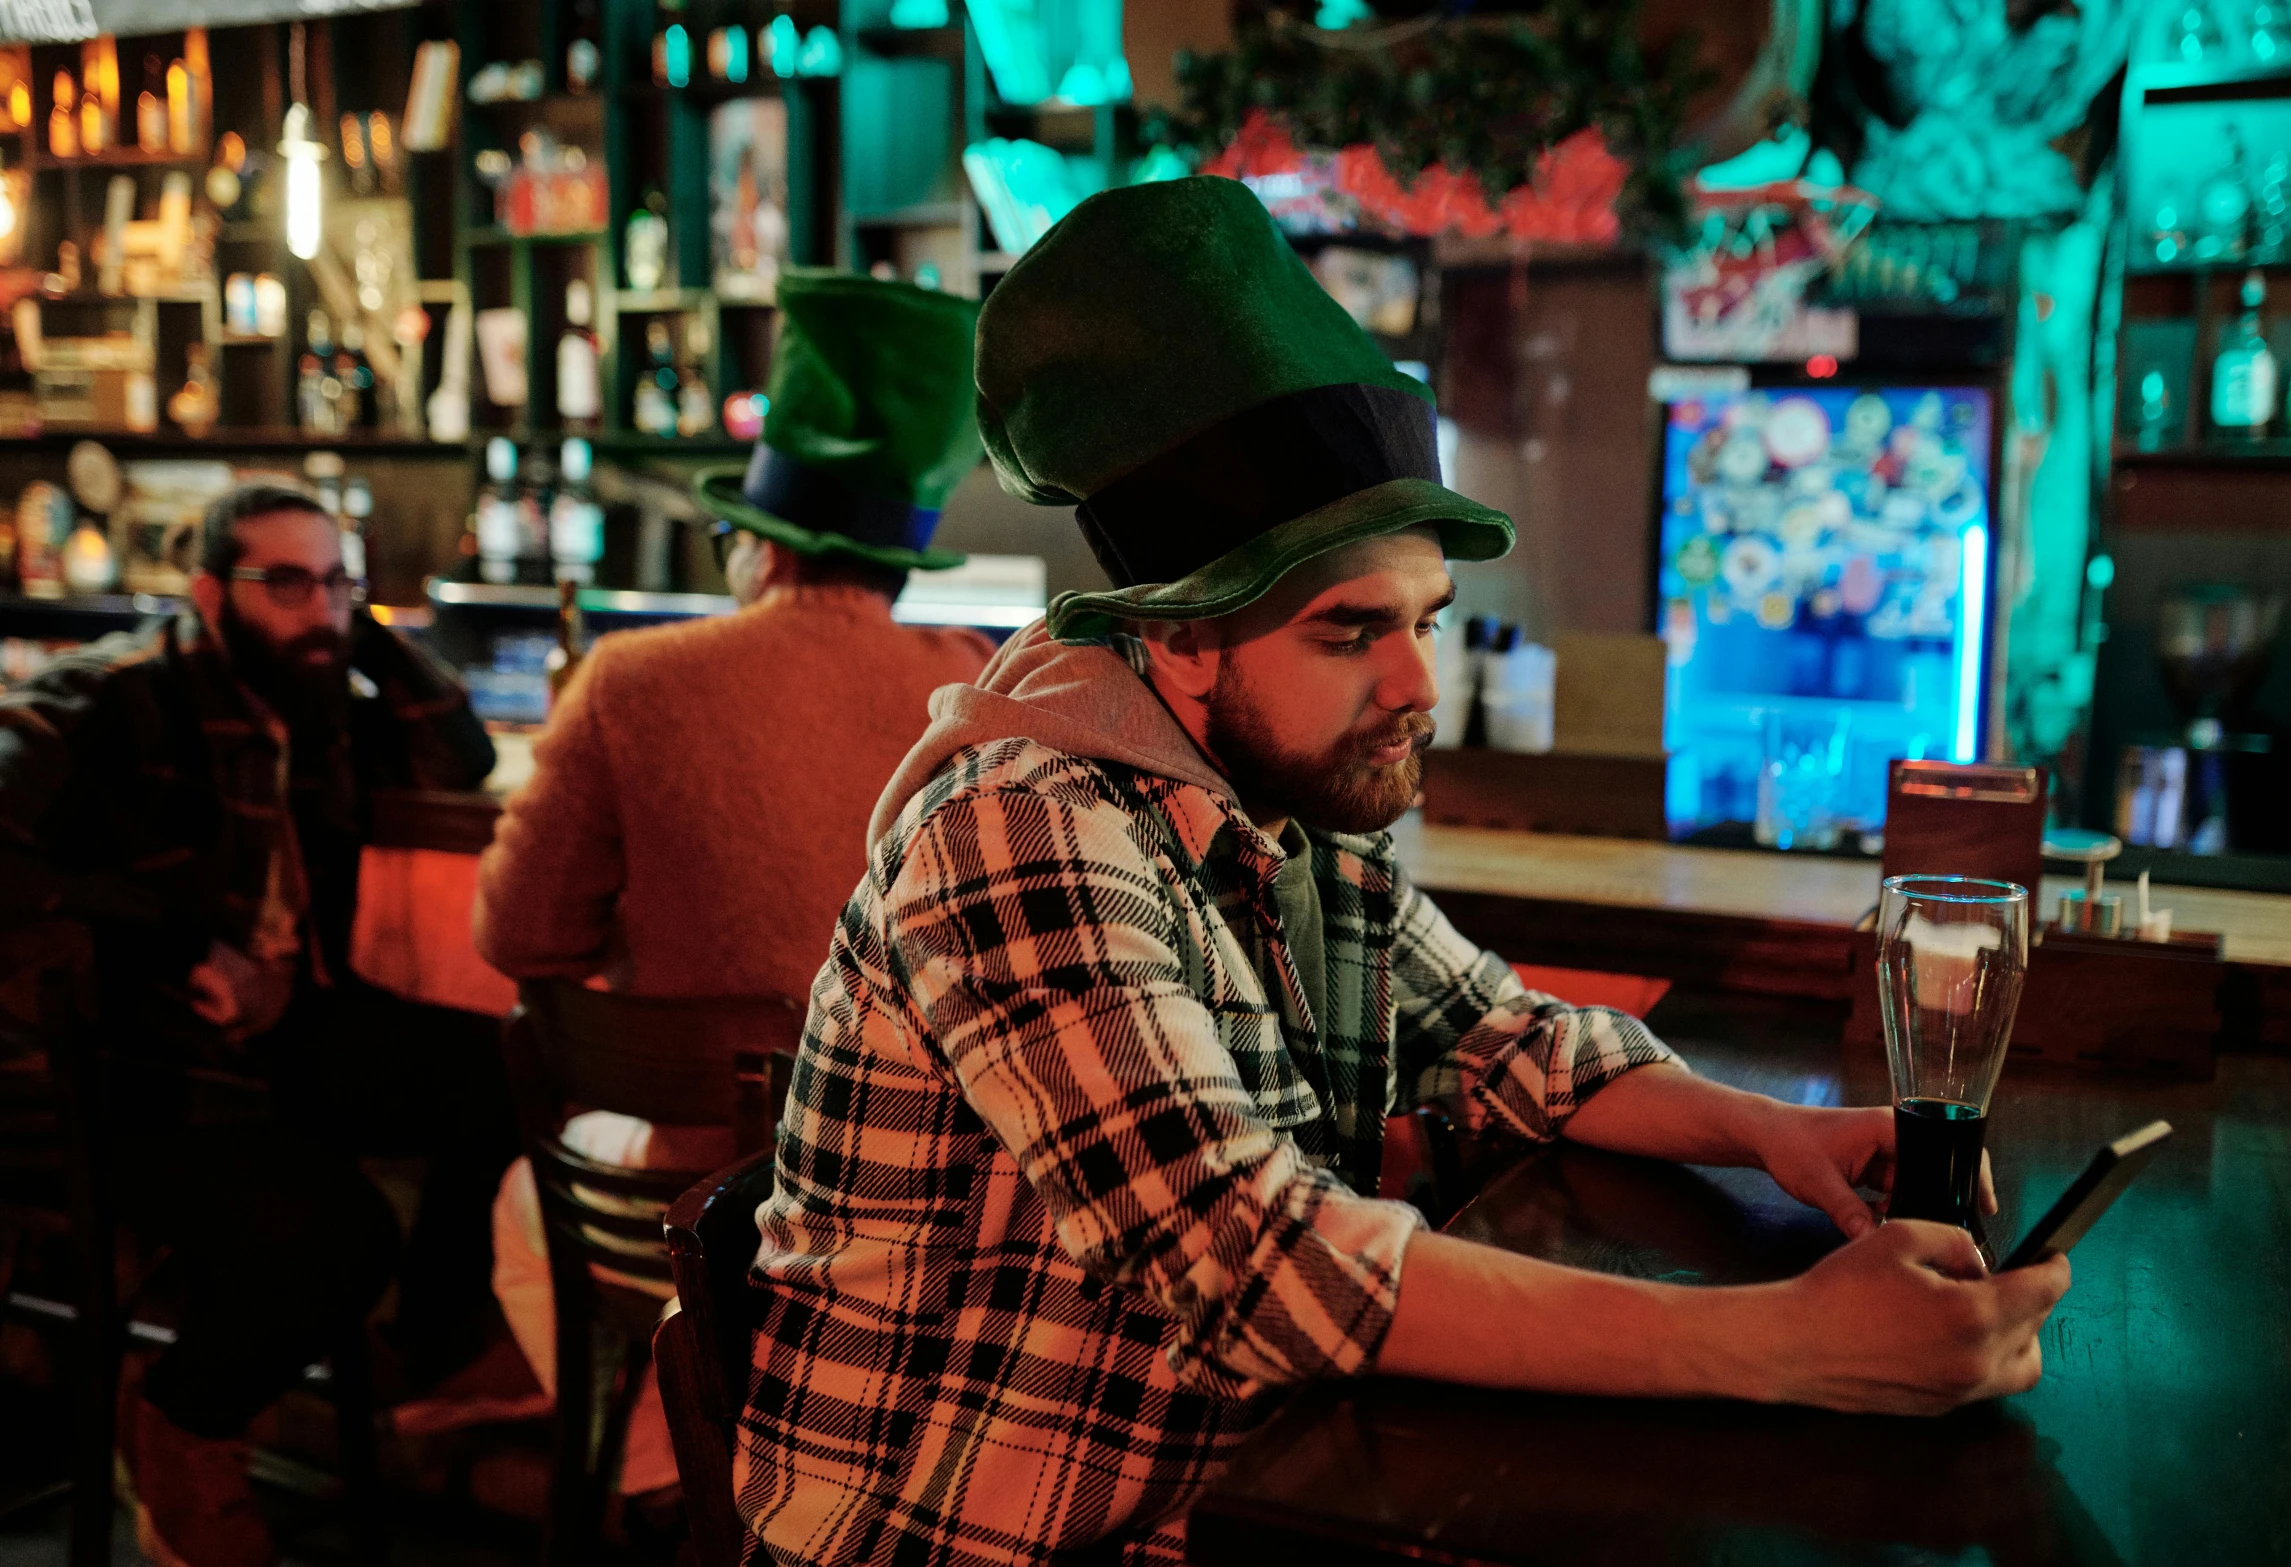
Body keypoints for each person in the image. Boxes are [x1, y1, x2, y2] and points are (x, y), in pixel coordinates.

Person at [731, 177, 2072, 1567]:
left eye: (1426, 617)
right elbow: (1250, 1261)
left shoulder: (1289, 806)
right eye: (1347, 630)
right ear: (1180, 637)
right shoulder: (1024, 826)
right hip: (972, 1522)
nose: (1416, 682)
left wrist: (1772, 1132)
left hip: (1222, 1473)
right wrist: (1787, 1343)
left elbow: (1509, 1039)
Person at [473, 270, 995, 1498]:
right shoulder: (974, 692)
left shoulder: (630, 678)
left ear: (755, 543)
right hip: (926, 1209)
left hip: (702, 1192)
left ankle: (678, 1485)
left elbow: (516, 932)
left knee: (517, 1196)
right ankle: (760, 1486)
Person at [0, 481, 504, 1567]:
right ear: (205, 595)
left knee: (504, 1069)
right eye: (284, 583)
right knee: (341, 1235)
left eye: (336, 581)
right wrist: (168, 948)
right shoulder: (117, 697)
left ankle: (432, 1348)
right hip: (124, 1069)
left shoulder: (314, 701)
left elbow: (458, 757)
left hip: (271, 1042)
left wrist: (350, 625)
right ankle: (181, 1419)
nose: (316, 609)